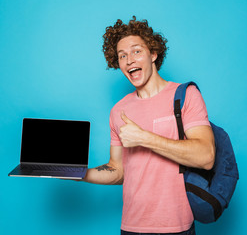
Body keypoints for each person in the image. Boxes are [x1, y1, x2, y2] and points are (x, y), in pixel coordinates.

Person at [81, 16, 215, 234]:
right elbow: (117, 170)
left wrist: (144, 138)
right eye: (122, 56)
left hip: (177, 227)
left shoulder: (185, 96)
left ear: (153, 54)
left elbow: (206, 157)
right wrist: (77, 173)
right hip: (132, 227)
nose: (129, 60)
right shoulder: (118, 111)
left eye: (136, 51)